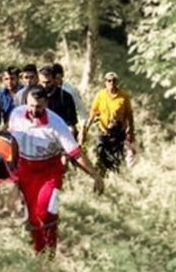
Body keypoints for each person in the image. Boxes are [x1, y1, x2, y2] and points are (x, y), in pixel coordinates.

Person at [8, 85, 104, 256]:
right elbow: (12, 142)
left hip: (50, 172)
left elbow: (75, 153)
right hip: (26, 170)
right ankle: (39, 253)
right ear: (26, 103)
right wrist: (12, 168)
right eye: (31, 105)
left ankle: (51, 250)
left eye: (38, 106)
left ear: (45, 103)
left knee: (47, 212)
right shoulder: (16, 115)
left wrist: (95, 175)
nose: (33, 110)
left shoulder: (56, 123)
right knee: (33, 216)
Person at [80, 72, 136, 175]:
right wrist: (87, 127)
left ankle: (115, 173)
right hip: (104, 131)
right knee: (100, 151)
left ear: (117, 82)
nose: (111, 83)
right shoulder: (101, 95)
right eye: (109, 81)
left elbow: (129, 115)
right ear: (105, 82)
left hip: (118, 132)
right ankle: (102, 171)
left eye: (114, 81)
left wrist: (131, 131)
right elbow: (94, 112)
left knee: (116, 155)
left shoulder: (123, 97)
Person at [37, 64, 79, 137]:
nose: (45, 86)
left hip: (60, 137)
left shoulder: (65, 97)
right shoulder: (34, 97)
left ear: (54, 80)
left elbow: (71, 125)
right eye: (42, 82)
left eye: (48, 82)